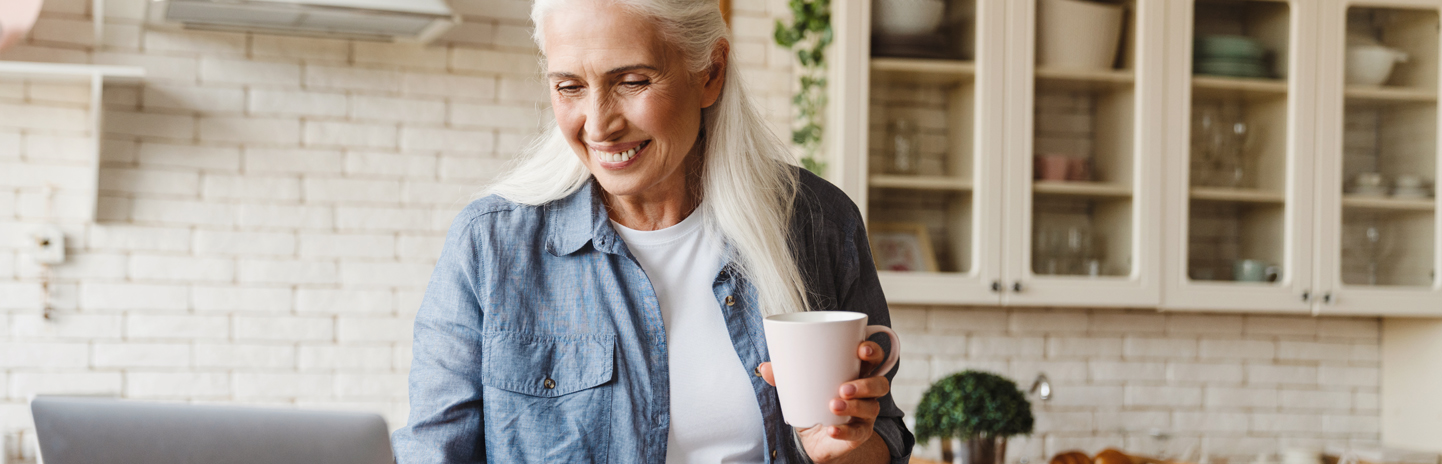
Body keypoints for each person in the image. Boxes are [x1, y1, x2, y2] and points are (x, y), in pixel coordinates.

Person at [389, 0, 914, 462]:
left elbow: (880, 440)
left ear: (710, 72)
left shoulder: (818, 224)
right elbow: (433, 453)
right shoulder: (491, 245)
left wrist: (843, 452)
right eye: (569, 86)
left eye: (633, 81)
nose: (598, 124)